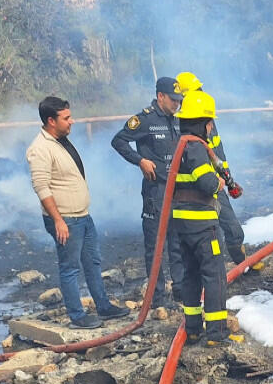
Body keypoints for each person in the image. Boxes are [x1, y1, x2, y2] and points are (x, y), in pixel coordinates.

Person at [26, 97, 131, 329]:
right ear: (51, 121)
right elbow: (41, 187)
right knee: (70, 268)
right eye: (66, 118)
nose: (72, 121)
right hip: (66, 220)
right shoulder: (40, 148)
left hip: (82, 215)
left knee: (93, 262)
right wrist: (58, 221)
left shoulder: (61, 141)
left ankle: (103, 306)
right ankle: (77, 316)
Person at [172, 90, 238, 347]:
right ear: (202, 122)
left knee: (191, 275)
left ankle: (193, 329)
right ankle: (217, 333)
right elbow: (205, 181)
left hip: (183, 224)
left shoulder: (180, 145)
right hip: (202, 223)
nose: (211, 127)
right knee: (215, 276)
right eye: (209, 122)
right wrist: (219, 182)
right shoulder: (197, 148)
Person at [175, 71, 260, 270]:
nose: (199, 95)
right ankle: (212, 273)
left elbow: (217, 153)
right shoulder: (184, 125)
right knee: (206, 235)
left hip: (215, 181)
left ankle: (241, 263)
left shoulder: (205, 120)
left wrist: (228, 180)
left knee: (230, 227)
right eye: (194, 92)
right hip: (196, 188)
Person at [111, 76, 183, 307]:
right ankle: (157, 297)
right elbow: (119, 141)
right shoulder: (144, 120)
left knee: (177, 241)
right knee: (156, 244)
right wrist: (140, 160)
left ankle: (181, 291)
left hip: (178, 188)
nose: (177, 104)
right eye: (173, 100)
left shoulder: (177, 120)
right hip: (157, 190)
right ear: (160, 96)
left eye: (179, 100)